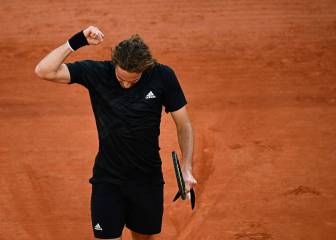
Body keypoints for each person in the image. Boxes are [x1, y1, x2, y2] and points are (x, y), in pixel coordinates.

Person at [35, 26, 197, 240]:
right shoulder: (97, 73)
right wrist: (77, 41)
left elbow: (183, 124)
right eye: (121, 79)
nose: (126, 85)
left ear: (145, 68)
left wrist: (186, 168)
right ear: (114, 64)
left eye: (133, 80)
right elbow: (44, 71)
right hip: (107, 179)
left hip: (147, 180)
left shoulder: (162, 76)